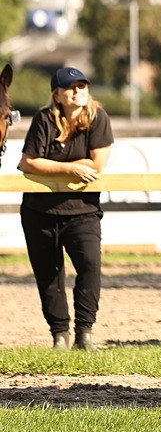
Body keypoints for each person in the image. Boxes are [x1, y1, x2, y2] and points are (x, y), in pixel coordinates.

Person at [18, 68, 113, 350]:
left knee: (90, 266)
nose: (77, 91)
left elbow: (97, 165)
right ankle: (59, 335)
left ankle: (85, 333)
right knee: (48, 274)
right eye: (70, 87)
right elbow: (28, 162)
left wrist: (50, 166)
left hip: (83, 210)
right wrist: (71, 168)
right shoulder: (43, 119)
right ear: (57, 95)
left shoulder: (98, 117)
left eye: (82, 86)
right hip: (39, 211)